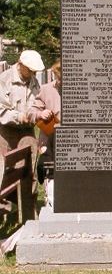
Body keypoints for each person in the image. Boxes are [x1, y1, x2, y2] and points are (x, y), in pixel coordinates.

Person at [0, 50, 45, 159]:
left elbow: (38, 103)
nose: (33, 74)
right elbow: (1, 110)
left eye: (35, 71)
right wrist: (19, 116)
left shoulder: (34, 82)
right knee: (6, 170)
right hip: (7, 133)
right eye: (30, 70)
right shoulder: (4, 79)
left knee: (28, 168)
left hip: (28, 132)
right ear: (20, 64)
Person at [28, 59, 61, 206]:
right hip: (49, 139)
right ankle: (51, 201)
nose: (59, 82)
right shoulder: (46, 89)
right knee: (50, 170)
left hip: (71, 141)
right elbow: (33, 111)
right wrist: (41, 113)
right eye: (58, 78)